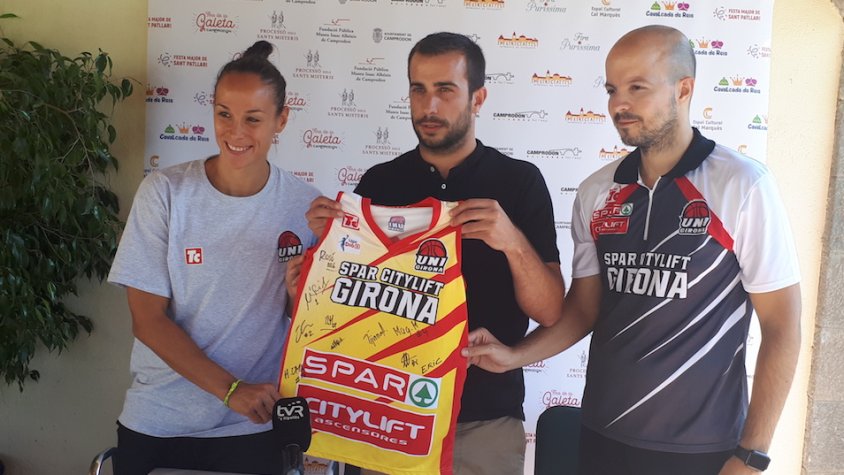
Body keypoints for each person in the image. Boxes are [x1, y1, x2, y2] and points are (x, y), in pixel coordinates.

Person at [463, 25, 801, 475]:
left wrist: (752, 454)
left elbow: (782, 325)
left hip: (702, 451)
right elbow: (583, 310)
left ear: (684, 89)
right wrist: (512, 356)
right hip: (601, 436)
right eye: (611, 89)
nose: (618, 105)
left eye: (637, 88)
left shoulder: (742, 185)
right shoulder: (595, 192)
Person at [295, 32, 566, 474]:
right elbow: (343, 309)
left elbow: (553, 310)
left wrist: (512, 241)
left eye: (445, 90)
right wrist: (327, 252)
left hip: (484, 419)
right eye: (418, 89)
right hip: (388, 414)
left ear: (478, 98)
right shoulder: (380, 184)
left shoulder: (519, 182)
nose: (429, 106)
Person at [107, 40, 320, 475]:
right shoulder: (165, 193)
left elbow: (305, 326)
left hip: (254, 430)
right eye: (224, 113)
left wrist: (301, 298)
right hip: (160, 423)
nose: (235, 132)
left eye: (253, 119)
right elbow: (147, 319)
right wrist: (231, 390)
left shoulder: (307, 208)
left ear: (282, 119)